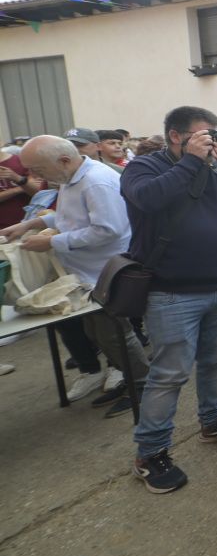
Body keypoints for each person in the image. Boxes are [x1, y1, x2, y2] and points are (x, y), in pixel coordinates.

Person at [123, 106, 217, 494]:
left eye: (216, 134)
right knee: (169, 375)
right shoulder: (144, 168)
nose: (213, 141)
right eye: (205, 135)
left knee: (216, 361)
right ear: (175, 136)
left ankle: (214, 421)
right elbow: (148, 200)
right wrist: (190, 162)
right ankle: (150, 453)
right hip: (172, 292)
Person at [2, 136, 149, 417]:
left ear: (64, 160)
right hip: (87, 272)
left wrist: (52, 242)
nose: (35, 177)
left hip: (105, 271)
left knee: (116, 334)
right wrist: (33, 223)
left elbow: (108, 229)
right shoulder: (72, 177)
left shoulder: (95, 181)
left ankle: (142, 384)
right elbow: (70, 218)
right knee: (98, 332)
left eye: (39, 169)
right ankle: (131, 378)